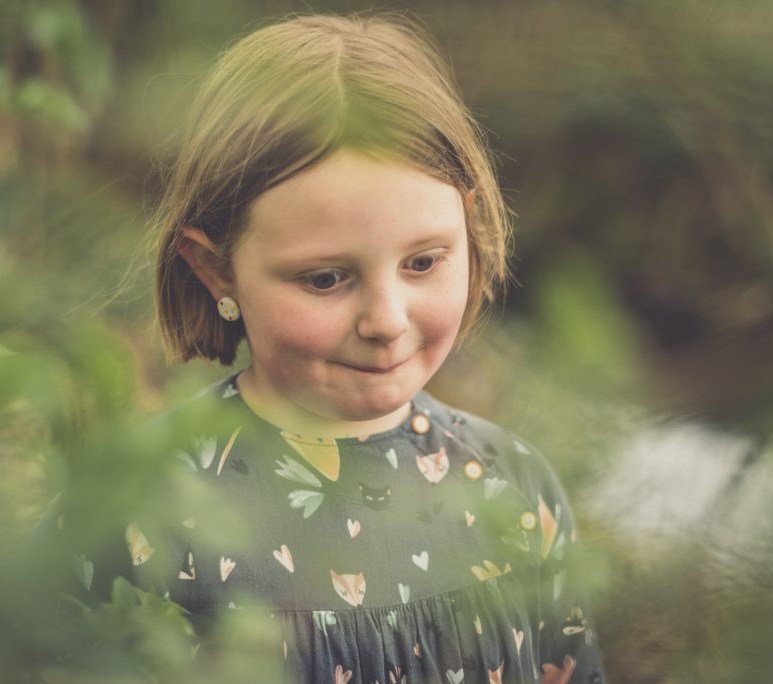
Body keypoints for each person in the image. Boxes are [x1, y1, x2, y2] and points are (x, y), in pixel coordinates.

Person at [36, 12, 605, 683]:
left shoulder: (513, 486)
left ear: (467, 224)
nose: (386, 320)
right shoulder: (133, 507)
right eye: (327, 279)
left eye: (423, 263)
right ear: (215, 269)